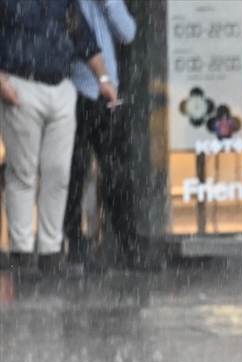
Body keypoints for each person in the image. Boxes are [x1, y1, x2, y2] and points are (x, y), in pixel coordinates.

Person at [1, 0, 117, 279]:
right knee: (23, 172)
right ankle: (22, 251)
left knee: (59, 172)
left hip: (61, 86)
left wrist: (103, 78)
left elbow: (84, 37)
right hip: (21, 83)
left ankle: (52, 251)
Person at [64, 0, 137, 271]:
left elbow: (128, 33)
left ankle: (125, 240)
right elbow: (71, 37)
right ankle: (75, 242)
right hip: (76, 89)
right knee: (74, 172)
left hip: (108, 94)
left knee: (117, 170)